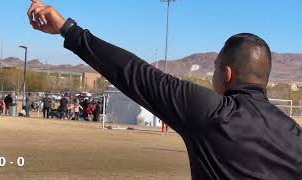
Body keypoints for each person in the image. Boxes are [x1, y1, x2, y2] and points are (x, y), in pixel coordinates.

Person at [28, 2, 302, 179]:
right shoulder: (295, 136)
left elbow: (135, 74)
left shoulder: (213, 114)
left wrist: (68, 30)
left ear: (227, 74)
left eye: (217, 67)